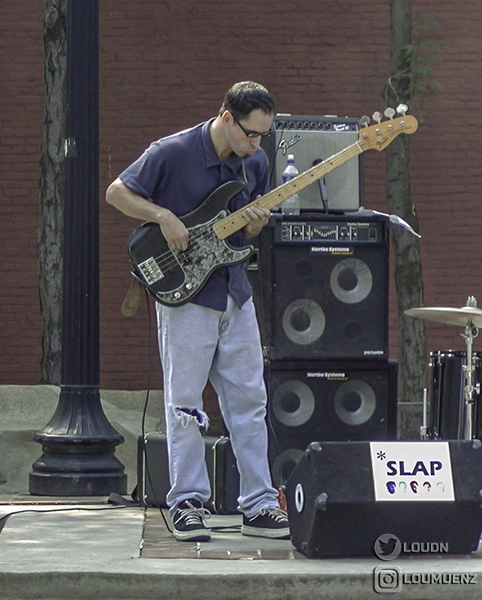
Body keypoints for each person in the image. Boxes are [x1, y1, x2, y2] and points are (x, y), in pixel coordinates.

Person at [106, 81, 288, 541]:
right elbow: (116, 193)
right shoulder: (172, 151)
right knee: (186, 404)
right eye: (250, 133)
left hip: (235, 290)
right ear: (226, 117)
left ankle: (260, 504)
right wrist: (161, 216)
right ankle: (187, 501)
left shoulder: (258, 162)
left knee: (250, 402)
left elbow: (243, 238)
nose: (256, 144)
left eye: (263, 136)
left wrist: (254, 228)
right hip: (186, 296)